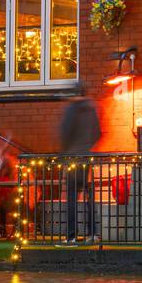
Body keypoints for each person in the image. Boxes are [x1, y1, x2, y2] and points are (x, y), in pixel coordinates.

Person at [59, 98, 101, 243]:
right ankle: (92, 233)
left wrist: (65, 151)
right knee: (90, 199)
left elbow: (65, 132)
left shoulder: (72, 109)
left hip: (73, 159)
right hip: (87, 158)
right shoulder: (91, 109)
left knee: (72, 199)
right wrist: (87, 147)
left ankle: (71, 235)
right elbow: (98, 133)